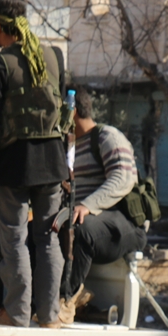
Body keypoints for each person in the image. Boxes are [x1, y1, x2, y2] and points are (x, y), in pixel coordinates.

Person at [0, 0, 68, 329]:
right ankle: (49, 316)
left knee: (14, 237)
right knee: (48, 238)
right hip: (53, 162)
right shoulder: (55, 56)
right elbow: (62, 110)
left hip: (15, 163)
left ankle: (15, 313)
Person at [59, 91, 147, 322]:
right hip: (91, 221)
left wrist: (87, 205)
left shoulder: (107, 137)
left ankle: (66, 301)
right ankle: (66, 296)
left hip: (125, 224)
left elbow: (123, 178)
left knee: (81, 227)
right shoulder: (69, 146)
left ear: (72, 111)